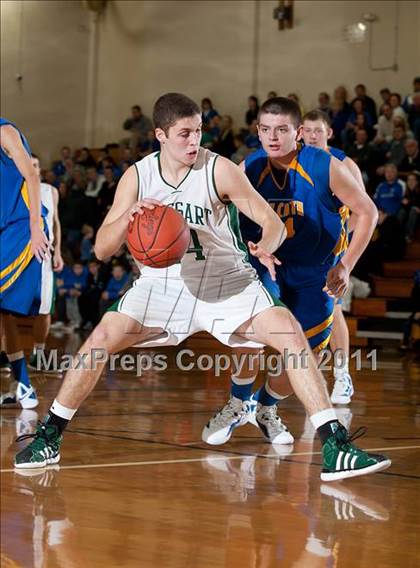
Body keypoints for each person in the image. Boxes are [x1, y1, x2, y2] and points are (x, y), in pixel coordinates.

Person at [14, 93, 390, 481]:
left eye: (198, 132)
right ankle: (49, 436)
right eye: (184, 134)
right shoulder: (138, 176)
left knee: (291, 334)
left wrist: (267, 246)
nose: (194, 141)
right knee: (98, 341)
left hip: (228, 279)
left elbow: (272, 222)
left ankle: (335, 445)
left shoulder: (220, 169)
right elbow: (102, 249)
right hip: (164, 284)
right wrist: (129, 216)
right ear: (160, 134)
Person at [203, 98, 378, 448]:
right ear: (257, 131)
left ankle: (266, 407)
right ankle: (238, 402)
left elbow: (368, 212)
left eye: (282, 129)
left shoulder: (325, 165)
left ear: (297, 132)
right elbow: (215, 212)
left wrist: (345, 265)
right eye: (265, 129)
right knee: (249, 335)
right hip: (264, 263)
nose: (273, 136)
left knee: (304, 357)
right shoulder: (248, 166)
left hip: (316, 271)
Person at [300, 110, 367, 405]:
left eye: (319, 131)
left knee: (333, 307)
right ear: (300, 132)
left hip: (333, 247)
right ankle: (306, 377)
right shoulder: (293, 160)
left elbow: (362, 212)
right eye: (309, 131)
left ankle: (342, 375)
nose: (313, 136)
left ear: (329, 133)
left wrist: (339, 243)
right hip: (300, 248)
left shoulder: (343, 163)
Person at [0, 118, 50, 408]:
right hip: (6, 227)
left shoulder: (5, 132)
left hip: (22, 226)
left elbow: (32, 176)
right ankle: (24, 385)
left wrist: (35, 227)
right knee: (4, 314)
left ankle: (23, 383)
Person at [27, 155, 64, 373]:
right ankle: (3, 355)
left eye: (35, 165)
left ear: (40, 169)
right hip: (20, 255)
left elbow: (56, 222)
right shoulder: (14, 188)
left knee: (44, 308)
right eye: (28, 165)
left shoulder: (51, 191)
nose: (32, 169)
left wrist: (58, 251)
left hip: (45, 257)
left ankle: (37, 355)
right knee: (7, 309)